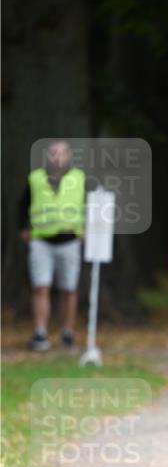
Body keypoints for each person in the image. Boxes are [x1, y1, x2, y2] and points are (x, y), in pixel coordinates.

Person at [20, 140, 87, 351]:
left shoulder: (80, 178)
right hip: (41, 240)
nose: (57, 157)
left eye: (62, 153)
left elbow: (91, 204)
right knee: (41, 286)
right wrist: (23, 228)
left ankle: (67, 332)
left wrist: (87, 229)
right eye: (53, 153)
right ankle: (40, 333)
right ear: (47, 156)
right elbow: (22, 204)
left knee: (69, 289)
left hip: (70, 240)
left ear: (69, 156)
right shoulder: (35, 178)